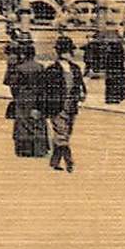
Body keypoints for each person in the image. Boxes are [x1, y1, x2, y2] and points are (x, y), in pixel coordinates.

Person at [39, 36, 86, 173]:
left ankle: (54, 161)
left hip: (71, 106)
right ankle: (69, 161)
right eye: (65, 51)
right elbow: (44, 91)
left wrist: (82, 95)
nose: (68, 54)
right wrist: (43, 108)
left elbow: (80, 86)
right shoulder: (52, 69)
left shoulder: (75, 68)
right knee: (61, 134)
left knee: (66, 134)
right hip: (57, 107)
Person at [3, 42, 49, 159]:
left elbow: (10, 82)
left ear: (23, 55)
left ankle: (25, 150)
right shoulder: (40, 67)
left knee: (23, 123)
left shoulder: (19, 68)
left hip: (23, 98)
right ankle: (40, 149)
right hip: (37, 97)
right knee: (38, 122)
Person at [102, 34, 125, 105]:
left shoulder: (109, 52)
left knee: (111, 85)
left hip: (111, 71)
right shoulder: (119, 51)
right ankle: (116, 98)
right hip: (117, 71)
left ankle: (110, 99)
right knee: (116, 84)